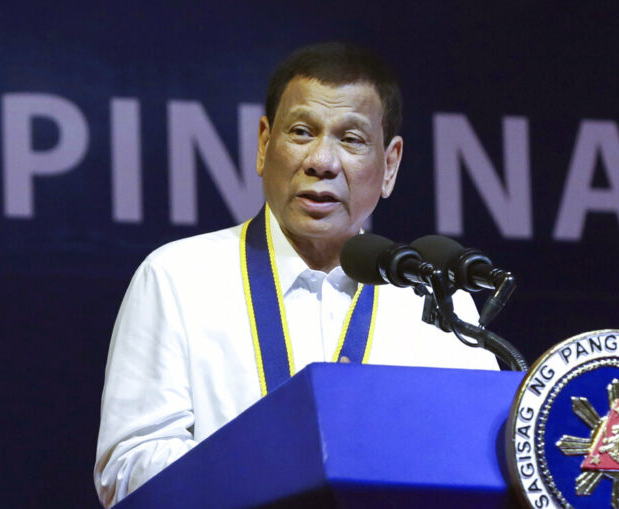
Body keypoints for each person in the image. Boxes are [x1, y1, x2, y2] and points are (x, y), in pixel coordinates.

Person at [94, 42, 498, 507]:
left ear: (389, 165)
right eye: (302, 131)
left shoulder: (437, 305)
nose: (321, 161)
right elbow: (126, 474)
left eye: (351, 139)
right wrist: (282, 453)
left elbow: (475, 470)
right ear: (265, 143)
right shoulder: (178, 278)